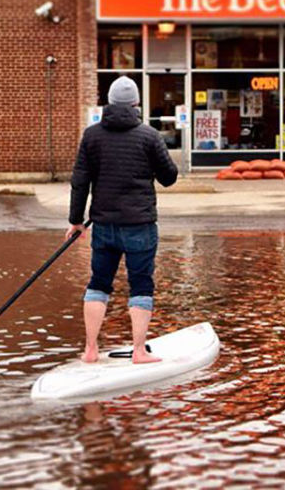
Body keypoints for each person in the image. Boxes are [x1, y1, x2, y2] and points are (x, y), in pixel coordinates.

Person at [66, 75, 178, 364]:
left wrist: (75, 220)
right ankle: (139, 352)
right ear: (136, 104)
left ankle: (90, 349)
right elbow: (170, 177)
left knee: (98, 284)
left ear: (109, 103)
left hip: (103, 225)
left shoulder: (92, 136)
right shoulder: (149, 136)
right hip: (139, 225)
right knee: (141, 285)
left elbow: (80, 180)